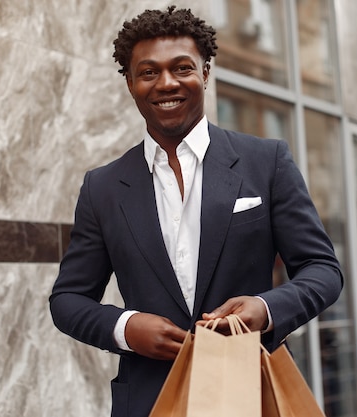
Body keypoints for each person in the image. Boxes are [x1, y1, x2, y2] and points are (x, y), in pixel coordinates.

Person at [49, 6, 342, 417]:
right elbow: (68, 299)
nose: (166, 83)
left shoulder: (266, 161)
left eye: (182, 68)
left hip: (252, 389)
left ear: (205, 73)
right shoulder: (103, 187)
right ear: (131, 83)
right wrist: (126, 328)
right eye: (148, 72)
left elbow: (323, 269)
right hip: (151, 398)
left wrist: (267, 308)